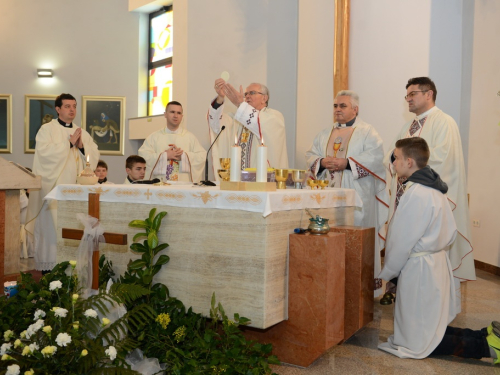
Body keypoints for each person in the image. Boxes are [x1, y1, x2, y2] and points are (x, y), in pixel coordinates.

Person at [378, 137, 500, 363]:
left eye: (396, 157)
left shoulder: (416, 194)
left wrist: (386, 273)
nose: (392, 162)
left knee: (418, 341)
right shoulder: (432, 188)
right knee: (428, 327)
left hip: (420, 269)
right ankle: (485, 334)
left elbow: (400, 242)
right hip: (432, 264)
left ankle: (487, 346)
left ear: (409, 161)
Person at [383, 77, 475, 310]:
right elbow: (396, 157)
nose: (409, 99)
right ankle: (407, 304)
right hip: (408, 201)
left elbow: (444, 162)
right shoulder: (408, 126)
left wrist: (410, 173)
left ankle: (440, 309)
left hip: (427, 203)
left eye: (413, 94)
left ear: (429, 94)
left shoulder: (445, 122)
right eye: (407, 95)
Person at [305, 90, 389, 296]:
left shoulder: (368, 132)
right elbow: (310, 155)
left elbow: (377, 158)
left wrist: (347, 163)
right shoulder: (325, 133)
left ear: (355, 109)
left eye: (342, 106)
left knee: (356, 240)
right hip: (328, 199)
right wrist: (322, 162)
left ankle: (359, 289)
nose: (337, 110)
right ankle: (332, 285)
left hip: (358, 199)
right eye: (335, 106)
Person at [25, 93, 99, 271]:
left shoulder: (82, 132)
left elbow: (93, 156)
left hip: (76, 195)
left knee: (73, 230)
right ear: (58, 109)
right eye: (67, 106)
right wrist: (68, 144)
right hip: (53, 194)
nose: (72, 109)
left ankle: (73, 270)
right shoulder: (47, 129)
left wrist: (81, 146)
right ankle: (49, 272)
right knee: (51, 233)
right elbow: (43, 154)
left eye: (74, 106)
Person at [207, 79, 288, 178]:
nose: (247, 96)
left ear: (264, 98)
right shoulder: (237, 119)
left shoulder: (274, 117)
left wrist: (240, 104)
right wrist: (220, 98)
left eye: (252, 93)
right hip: (237, 180)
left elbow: (258, 123)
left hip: (263, 181)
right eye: (246, 94)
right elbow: (216, 125)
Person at [139, 101, 205, 183]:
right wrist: (165, 156)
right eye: (172, 112)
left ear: (182, 116)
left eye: (179, 113)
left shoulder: (190, 137)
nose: (175, 116)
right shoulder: (154, 137)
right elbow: (143, 156)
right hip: (160, 186)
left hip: (183, 185)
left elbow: (202, 156)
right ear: (165, 114)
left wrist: (183, 157)